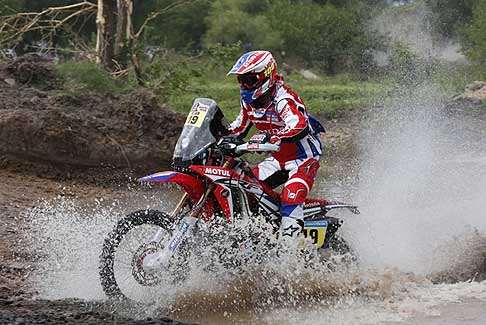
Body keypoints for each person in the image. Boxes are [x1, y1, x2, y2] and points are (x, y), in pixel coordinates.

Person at [227, 50, 325, 239]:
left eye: (249, 80)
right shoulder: (249, 103)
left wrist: (273, 137)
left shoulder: (283, 99)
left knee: (292, 196)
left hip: (303, 158)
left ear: (266, 76)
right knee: (244, 188)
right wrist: (216, 138)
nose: (244, 85)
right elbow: (238, 128)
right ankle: (259, 236)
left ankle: (289, 255)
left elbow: (298, 125)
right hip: (277, 159)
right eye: (240, 80)